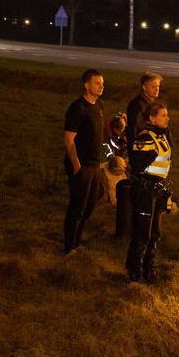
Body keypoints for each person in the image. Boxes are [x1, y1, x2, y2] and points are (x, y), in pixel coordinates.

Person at [126, 102, 174, 284]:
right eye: (163, 115)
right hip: (145, 190)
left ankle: (149, 269)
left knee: (155, 233)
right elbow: (137, 165)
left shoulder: (162, 136)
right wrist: (150, 155)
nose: (167, 118)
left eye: (167, 115)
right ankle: (134, 273)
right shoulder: (145, 138)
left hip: (157, 190)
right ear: (152, 118)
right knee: (142, 234)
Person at [63, 69, 105, 253]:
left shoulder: (99, 105)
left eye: (103, 83)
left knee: (89, 206)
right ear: (86, 85)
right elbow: (68, 139)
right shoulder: (77, 108)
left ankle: (77, 242)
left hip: (95, 165)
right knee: (78, 207)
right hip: (83, 166)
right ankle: (70, 246)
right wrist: (76, 166)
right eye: (97, 83)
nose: (102, 86)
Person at [126, 71, 163, 145]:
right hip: (142, 148)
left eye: (158, 86)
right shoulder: (137, 105)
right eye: (153, 86)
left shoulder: (151, 104)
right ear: (144, 87)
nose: (157, 89)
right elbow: (133, 130)